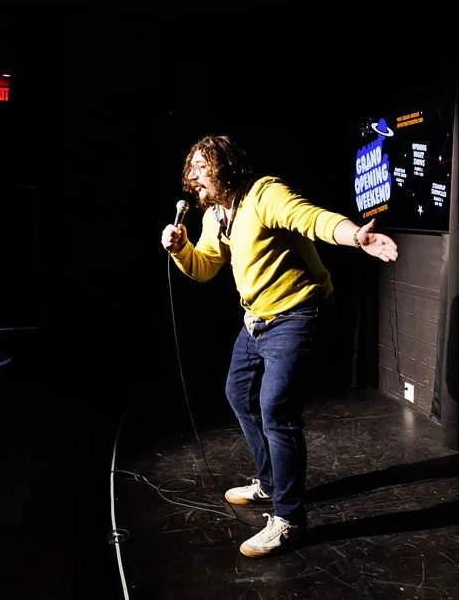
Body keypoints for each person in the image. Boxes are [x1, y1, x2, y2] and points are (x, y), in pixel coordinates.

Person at [160, 134, 399, 557]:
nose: (193, 177)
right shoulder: (216, 216)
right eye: (190, 168)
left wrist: (355, 237)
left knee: (277, 412)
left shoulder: (265, 194)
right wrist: (182, 250)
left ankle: (288, 518)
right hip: (256, 318)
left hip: (296, 314)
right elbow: (206, 267)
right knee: (238, 395)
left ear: (224, 167)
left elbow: (313, 219)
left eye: (201, 166)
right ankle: (270, 483)